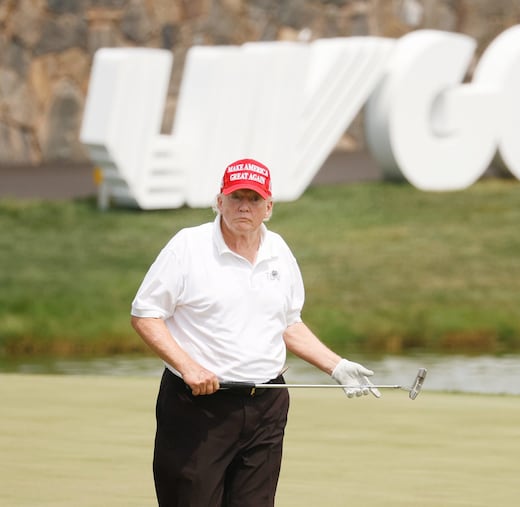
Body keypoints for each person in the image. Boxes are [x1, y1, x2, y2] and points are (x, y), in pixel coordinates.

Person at [130, 157, 379, 507]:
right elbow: (145, 315)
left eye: (254, 199)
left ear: (268, 207)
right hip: (199, 407)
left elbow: (289, 324)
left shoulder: (279, 251)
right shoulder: (188, 247)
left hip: (266, 405)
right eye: (236, 197)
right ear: (220, 201)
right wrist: (188, 367)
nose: (244, 207)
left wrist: (335, 366)